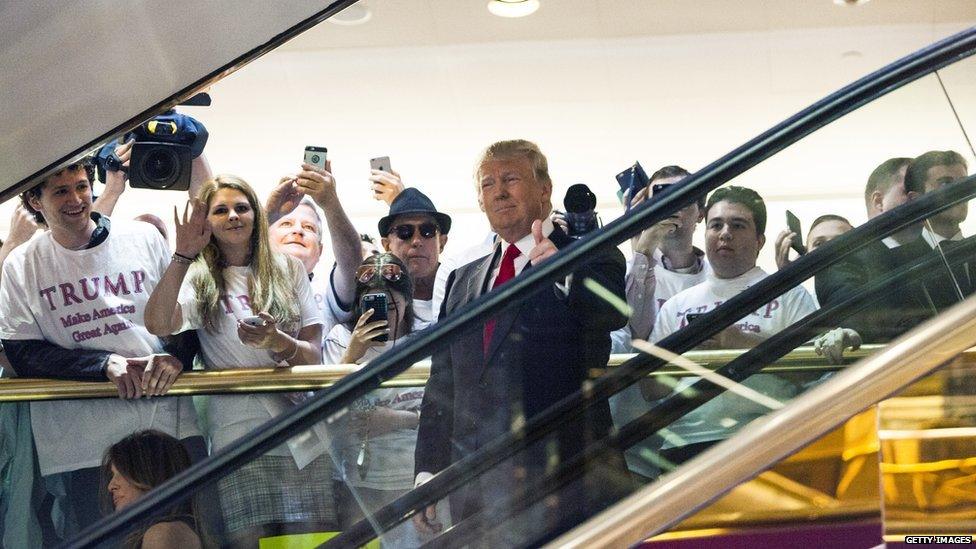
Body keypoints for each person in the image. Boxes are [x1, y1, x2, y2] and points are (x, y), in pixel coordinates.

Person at [413, 139, 631, 545]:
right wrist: (428, 470)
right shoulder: (463, 279)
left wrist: (565, 272)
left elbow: (610, 313)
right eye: (488, 183)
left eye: (511, 178)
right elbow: (442, 384)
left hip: (566, 480)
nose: (499, 191)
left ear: (544, 189)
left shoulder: (590, 254)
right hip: (476, 491)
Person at [0, 156, 200, 541]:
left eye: (81, 186)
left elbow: (186, 316)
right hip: (82, 445)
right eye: (61, 191)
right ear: (35, 201)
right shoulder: (22, 264)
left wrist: (179, 357)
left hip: (166, 425)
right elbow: (23, 353)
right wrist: (104, 364)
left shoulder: (143, 238)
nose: (76, 198)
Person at [144, 175, 336, 544]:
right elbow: (156, 321)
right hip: (238, 431)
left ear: (256, 215)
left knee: (310, 539)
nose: (233, 216)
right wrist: (183, 254)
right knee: (249, 539)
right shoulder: (201, 278)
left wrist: (277, 340)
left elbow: (314, 356)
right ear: (208, 222)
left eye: (241, 207)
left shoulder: (287, 268)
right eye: (220, 210)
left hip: (302, 427)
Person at [650, 186, 858, 463]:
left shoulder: (789, 295)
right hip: (683, 444)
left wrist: (740, 343)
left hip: (766, 440)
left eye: (738, 225)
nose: (725, 233)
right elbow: (650, 389)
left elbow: (812, 373)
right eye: (716, 225)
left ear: (759, 240)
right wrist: (686, 353)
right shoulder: (676, 304)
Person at [324, 253, 427, 547]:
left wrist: (402, 419)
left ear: (407, 301)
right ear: (360, 304)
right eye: (374, 300)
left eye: (392, 300)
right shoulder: (341, 340)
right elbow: (324, 413)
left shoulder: (426, 338)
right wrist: (351, 356)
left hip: (414, 475)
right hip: (359, 481)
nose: (384, 310)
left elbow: (445, 408)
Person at [611, 165, 709, 352]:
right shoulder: (624, 272)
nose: (672, 205)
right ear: (649, 209)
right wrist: (643, 250)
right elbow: (631, 340)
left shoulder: (718, 274)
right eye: (662, 196)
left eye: (682, 197)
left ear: (701, 214)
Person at [265, 161, 362, 337]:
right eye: (286, 223)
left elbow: (352, 261)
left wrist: (330, 203)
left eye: (309, 228)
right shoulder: (243, 278)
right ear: (265, 238)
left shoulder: (327, 290)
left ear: (320, 251)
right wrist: (268, 215)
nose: (298, 230)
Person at [101, 430, 201, 549]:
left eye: (121, 473)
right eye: (113, 475)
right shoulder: (172, 530)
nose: (111, 486)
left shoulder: (163, 533)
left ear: (150, 474)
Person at [377, 188, 451, 327]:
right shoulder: (380, 301)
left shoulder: (464, 288)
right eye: (405, 231)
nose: (417, 241)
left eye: (427, 231)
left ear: (442, 242)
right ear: (387, 245)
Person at [906, 150, 969, 246]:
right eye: (945, 184)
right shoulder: (897, 260)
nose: (959, 191)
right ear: (916, 199)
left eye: (964, 183)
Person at [774, 214, 854, 270]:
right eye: (819, 244)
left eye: (840, 240)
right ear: (807, 255)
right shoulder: (798, 293)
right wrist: (787, 278)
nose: (830, 248)